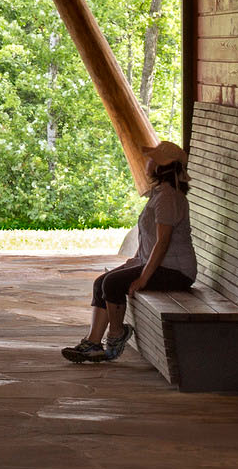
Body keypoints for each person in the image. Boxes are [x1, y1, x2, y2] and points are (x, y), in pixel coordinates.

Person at [64, 139, 195, 364]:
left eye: (153, 158)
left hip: (176, 271)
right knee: (101, 282)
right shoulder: (160, 193)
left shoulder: (168, 197)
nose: (148, 161)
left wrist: (143, 277)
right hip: (160, 264)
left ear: (162, 166)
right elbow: (151, 237)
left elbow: (163, 242)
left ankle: (117, 334)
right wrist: (137, 262)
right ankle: (93, 343)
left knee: (112, 284)